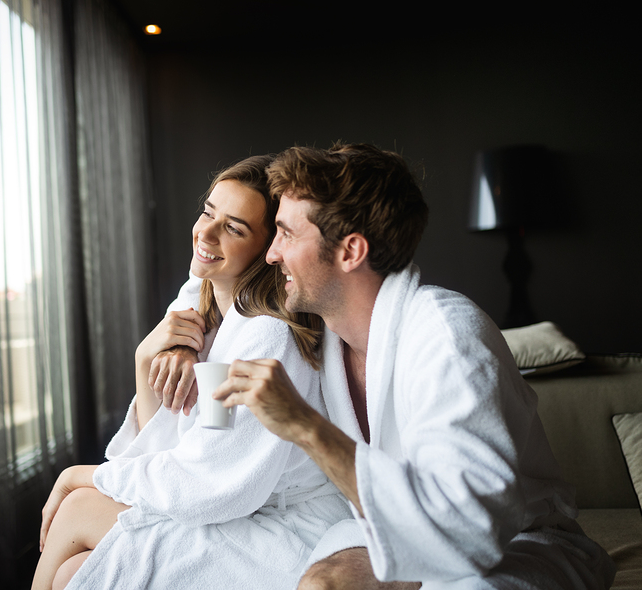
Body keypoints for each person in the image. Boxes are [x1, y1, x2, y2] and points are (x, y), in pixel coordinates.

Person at [202, 143, 616, 589]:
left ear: (350, 251)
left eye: (286, 234)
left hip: (517, 541)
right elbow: (218, 288)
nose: (271, 254)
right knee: (322, 584)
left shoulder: (448, 335)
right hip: (385, 528)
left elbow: (470, 532)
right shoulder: (321, 337)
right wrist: (172, 343)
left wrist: (305, 426)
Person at [30, 155, 351, 590]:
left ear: (268, 250)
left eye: (234, 228)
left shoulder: (265, 336)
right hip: (236, 507)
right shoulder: (208, 302)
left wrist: (78, 475)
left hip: (287, 531)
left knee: (79, 511)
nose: (207, 232)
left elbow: (205, 479)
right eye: (208, 212)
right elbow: (160, 447)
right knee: (74, 564)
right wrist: (149, 357)